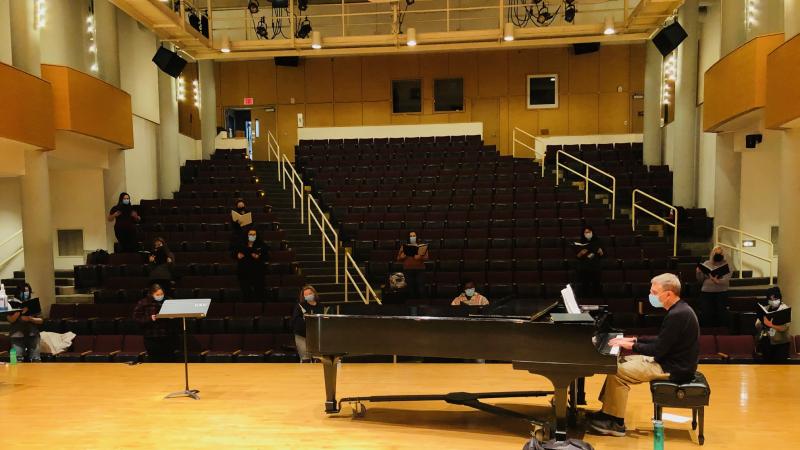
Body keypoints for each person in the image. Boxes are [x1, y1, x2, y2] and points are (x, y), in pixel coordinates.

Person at [588, 273, 699, 437]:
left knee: (616, 370)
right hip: (670, 361)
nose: (650, 296)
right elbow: (663, 340)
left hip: (673, 368)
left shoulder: (678, 315)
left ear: (668, 294)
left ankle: (615, 422)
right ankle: (607, 412)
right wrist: (635, 339)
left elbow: (659, 349)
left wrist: (632, 346)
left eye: (654, 292)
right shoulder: (680, 309)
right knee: (618, 360)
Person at [133, 284, 178, 362]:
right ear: (151, 294)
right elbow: (136, 318)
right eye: (157, 294)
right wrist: (150, 318)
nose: (160, 296)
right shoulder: (144, 302)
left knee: (169, 359)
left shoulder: (168, 300)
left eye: (162, 294)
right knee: (154, 359)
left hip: (167, 335)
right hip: (151, 336)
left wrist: (173, 317)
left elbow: (177, 315)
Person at [6, 283, 43, 362]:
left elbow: (41, 320)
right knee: (17, 359)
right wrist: (20, 312)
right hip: (17, 335)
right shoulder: (11, 303)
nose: (26, 293)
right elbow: (10, 319)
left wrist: (30, 319)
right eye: (24, 291)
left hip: (33, 334)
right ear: (18, 292)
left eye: (28, 291)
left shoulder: (33, 303)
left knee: (35, 359)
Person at [696, 246, 731, 327]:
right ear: (712, 253)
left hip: (721, 291)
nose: (717, 254)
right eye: (716, 253)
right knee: (706, 313)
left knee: (722, 313)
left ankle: (722, 331)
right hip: (706, 291)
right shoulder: (706, 263)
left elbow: (726, 280)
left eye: (720, 253)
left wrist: (717, 281)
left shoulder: (726, 264)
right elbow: (700, 280)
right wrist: (698, 272)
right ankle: (707, 331)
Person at [755, 286, 791, 363]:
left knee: (780, 368)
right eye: (770, 299)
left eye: (775, 299)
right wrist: (761, 322)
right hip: (767, 341)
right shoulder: (766, 308)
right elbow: (757, 325)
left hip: (781, 343)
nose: (773, 301)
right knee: (767, 367)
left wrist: (771, 325)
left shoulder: (785, 309)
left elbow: (784, 328)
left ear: (779, 298)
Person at [233, 228, 269, 302]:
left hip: (257, 273)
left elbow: (267, 256)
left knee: (259, 293)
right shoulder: (241, 244)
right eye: (250, 234)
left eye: (254, 234)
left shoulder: (261, 245)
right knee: (246, 293)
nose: (252, 236)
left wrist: (259, 256)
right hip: (244, 272)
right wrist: (237, 255)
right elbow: (233, 254)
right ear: (247, 235)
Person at [291, 285, 324, 362]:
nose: (308, 296)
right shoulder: (300, 306)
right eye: (306, 295)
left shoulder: (320, 306)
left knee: (317, 358)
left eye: (310, 293)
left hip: (315, 336)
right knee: (305, 359)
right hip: (302, 335)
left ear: (314, 293)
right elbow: (296, 320)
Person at [397, 231, 429, 299]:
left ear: (416, 237)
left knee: (421, 288)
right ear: (408, 238)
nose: (412, 237)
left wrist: (420, 257)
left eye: (414, 236)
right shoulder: (404, 246)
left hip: (420, 270)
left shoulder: (421, 246)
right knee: (410, 288)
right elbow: (398, 258)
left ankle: (423, 305)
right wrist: (402, 256)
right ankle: (412, 305)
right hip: (408, 270)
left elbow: (426, 258)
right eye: (411, 236)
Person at [575, 226, 604, 297]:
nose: (587, 233)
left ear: (592, 232)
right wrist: (581, 253)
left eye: (589, 232)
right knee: (585, 286)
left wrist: (601, 252)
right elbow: (577, 257)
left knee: (596, 286)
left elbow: (603, 255)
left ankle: (597, 301)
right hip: (584, 268)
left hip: (595, 267)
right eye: (586, 232)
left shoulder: (598, 241)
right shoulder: (580, 242)